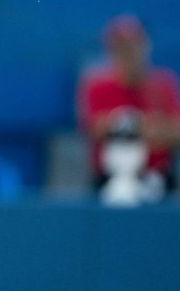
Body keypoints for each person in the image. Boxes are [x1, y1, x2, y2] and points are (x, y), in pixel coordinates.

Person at [77, 15, 180, 200]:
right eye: (120, 47)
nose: (128, 53)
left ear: (145, 46)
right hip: (109, 182)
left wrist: (146, 129)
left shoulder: (163, 84)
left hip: (158, 181)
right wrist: (136, 125)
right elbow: (93, 128)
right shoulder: (96, 85)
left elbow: (175, 131)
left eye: (133, 46)